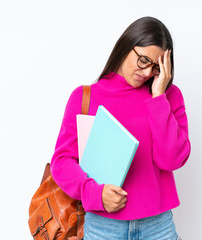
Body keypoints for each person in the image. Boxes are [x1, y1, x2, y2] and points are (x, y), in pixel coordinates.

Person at [50, 16, 191, 240]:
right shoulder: (85, 97)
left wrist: (158, 98)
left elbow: (171, 159)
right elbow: (62, 162)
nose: (146, 72)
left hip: (158, 227)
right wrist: (94, 193)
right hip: (103, 226)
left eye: (156, 67)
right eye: (143, 60)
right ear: (126, 46)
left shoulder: (168, 97)